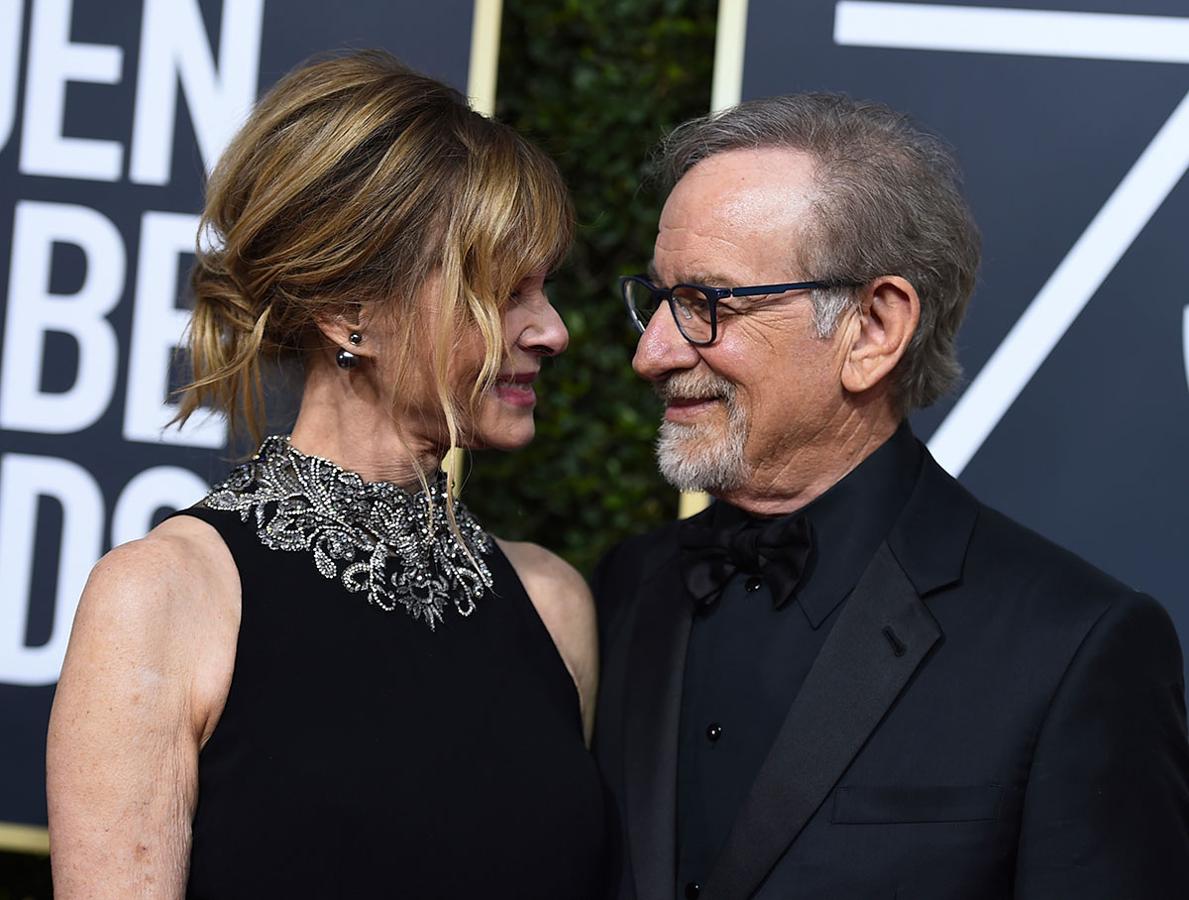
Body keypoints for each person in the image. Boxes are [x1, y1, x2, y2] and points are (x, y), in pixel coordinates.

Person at [593, 92, 1189, 900]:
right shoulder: (625, 588)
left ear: (872, 329)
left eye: (707, 304)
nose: (653, 353)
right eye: (659, 302)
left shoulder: (1073, 646)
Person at [47, 51, 606, 899]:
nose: (552, 331)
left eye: (545, 289)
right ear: (352, 314)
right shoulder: (166, 598)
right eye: (504, 293)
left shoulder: (551, 604)